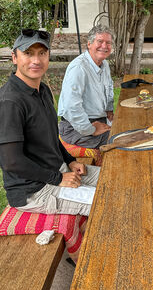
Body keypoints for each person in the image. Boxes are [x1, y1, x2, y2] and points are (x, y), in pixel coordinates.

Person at [0, 29, 99, 216]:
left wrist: (70, 161)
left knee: (115, 180)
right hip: (34, 190)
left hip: (58, 169)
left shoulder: (42, 89)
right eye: (28, 53)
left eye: (42, 53)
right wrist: (58, 178)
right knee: (109, 201)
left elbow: (51, 137)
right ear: (14, 57)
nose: (36, 60)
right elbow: (11, 161)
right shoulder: (9, 102)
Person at [58, 24, 114, 149]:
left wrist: (109, 109)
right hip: (75, 128)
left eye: (108, 43)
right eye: (100, 41)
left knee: (128, 128)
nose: (104, 46)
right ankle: (106, 168)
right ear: (89, 44)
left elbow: (109, 86)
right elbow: (71, 107)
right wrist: (91, 129)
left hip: (98, 119)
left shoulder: (104, 65)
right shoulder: (79, 68)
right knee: (120, 140)